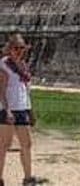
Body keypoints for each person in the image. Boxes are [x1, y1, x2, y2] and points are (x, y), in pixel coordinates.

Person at [0, 34, 38, 186]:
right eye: (16, 48)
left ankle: (28, 178)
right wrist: (7, 110)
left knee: (27, 143)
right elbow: (1, 90)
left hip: (22, 108)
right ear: (10, 49)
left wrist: (31, 110)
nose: (19, 51)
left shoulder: (23, 65)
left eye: (22, 48)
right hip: (7, 109)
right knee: (3, 145)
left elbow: (25, 90)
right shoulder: (3, 64)